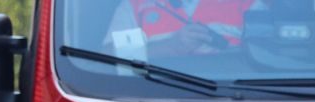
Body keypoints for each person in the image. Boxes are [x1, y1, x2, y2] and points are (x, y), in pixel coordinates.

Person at [104, 0, 257, 58]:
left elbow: (273, 56)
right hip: (154, 98)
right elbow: (110, 57)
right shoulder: (136, 5)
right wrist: (172, 46)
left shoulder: (245, 4)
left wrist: (228, 51)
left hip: (233, 98)